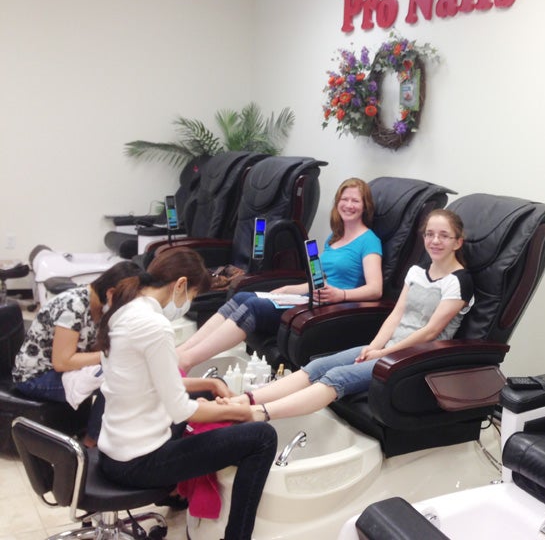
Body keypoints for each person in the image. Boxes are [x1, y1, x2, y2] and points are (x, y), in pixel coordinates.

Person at [223, 208, 473, 422]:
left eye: (444, 235)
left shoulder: (458, 282)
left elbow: (430, 332)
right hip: (388, 348)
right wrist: (374, 347)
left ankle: (257, 413)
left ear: (458, 242)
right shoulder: (416, 272)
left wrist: (383, 353)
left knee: (338, 377)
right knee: (318, 366)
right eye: (430, 234)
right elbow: (396, 315)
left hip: (415, 357)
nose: (435, 241)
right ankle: (244, 400)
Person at [96, 247, 276, 540]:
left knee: (206, 395)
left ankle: (180, 496)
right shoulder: (154, 326)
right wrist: (243, 411)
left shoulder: (125, 309)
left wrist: (212, 385)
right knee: (262, 437)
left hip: (114, 450)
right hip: (138, 463)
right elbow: (181, 410)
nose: (188, 303)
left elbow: (150, 383)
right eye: (192, 295)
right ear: (180, 284)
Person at [177, 177, 383, 372]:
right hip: (312, 298)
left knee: (253, 306)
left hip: (332, 308)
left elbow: (376, 289)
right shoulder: (334, 237)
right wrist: (288, 289)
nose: (348, 205)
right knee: (241, 297)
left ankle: (188, 361)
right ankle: (183, 350)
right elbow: (320, 280)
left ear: (365, 206)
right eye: (344, 199)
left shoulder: (369, 241)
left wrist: (341, 295)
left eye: (355, 200)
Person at [12, 260, 142, 445]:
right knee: (114, 379)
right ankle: (90, 443)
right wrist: (110, 356)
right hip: (36, 376)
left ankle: (107, 434)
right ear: (111, 293)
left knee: (125, 371)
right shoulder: (73, 306)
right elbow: (62, 362)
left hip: (62, 370)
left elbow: (93, 347)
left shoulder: (100, 306)